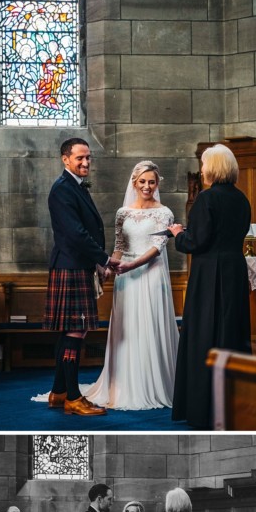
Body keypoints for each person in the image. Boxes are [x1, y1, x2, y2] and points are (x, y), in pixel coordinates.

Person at [82, 161, 179, 410]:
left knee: (149, 324)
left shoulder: (164, 212)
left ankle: (152, 383)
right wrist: (107, 267)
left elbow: (158, 248)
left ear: (157, 184)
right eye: (142, 181)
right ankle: (122, 383)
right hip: (124, 276)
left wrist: (132, 265)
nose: (147, 186)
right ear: (134, 183)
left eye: (152, 182)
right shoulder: (122, 212)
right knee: (127, 329)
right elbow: (119, 246)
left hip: (150, 274)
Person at [168, 144, 251, 429]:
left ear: (213, 167)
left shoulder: (206, 199)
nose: (201, 170)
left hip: (209, 274)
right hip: (234, 270)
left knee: (206, 334)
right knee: (231, 333)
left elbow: (197, 242)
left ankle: (203, 409)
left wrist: (179, 234)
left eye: (204, 164)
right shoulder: (242, 199)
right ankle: (231, 407)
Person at [44, 138, 120, 416]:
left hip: (77, 266)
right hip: (71, 267)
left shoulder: (75, 187)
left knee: (73, 331)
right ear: (65, 159)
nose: (86, 162)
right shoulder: (62, 190)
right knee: (76, 330)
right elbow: (76, 234)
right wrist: (104, 259)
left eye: (88, 158)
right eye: (79, 158)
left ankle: (59, 391)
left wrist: (97, 262)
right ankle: (73, 398)